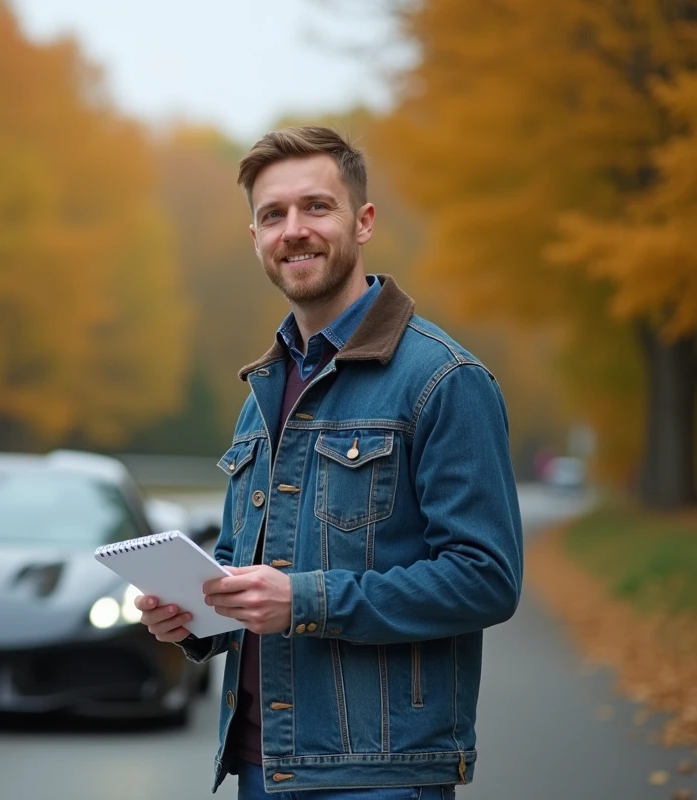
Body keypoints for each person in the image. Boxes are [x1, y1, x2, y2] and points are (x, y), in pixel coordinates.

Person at [134, 126, 523, 799]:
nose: (294, 230)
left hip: (379, 776)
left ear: (363, 221)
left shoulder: (443, 378)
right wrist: (194, 617)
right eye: (272, 215)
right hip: (258, 765)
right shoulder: (263, 391)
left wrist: (305, 600)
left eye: (316, 207)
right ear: (254, 237)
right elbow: (244, 568)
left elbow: (486, 578)